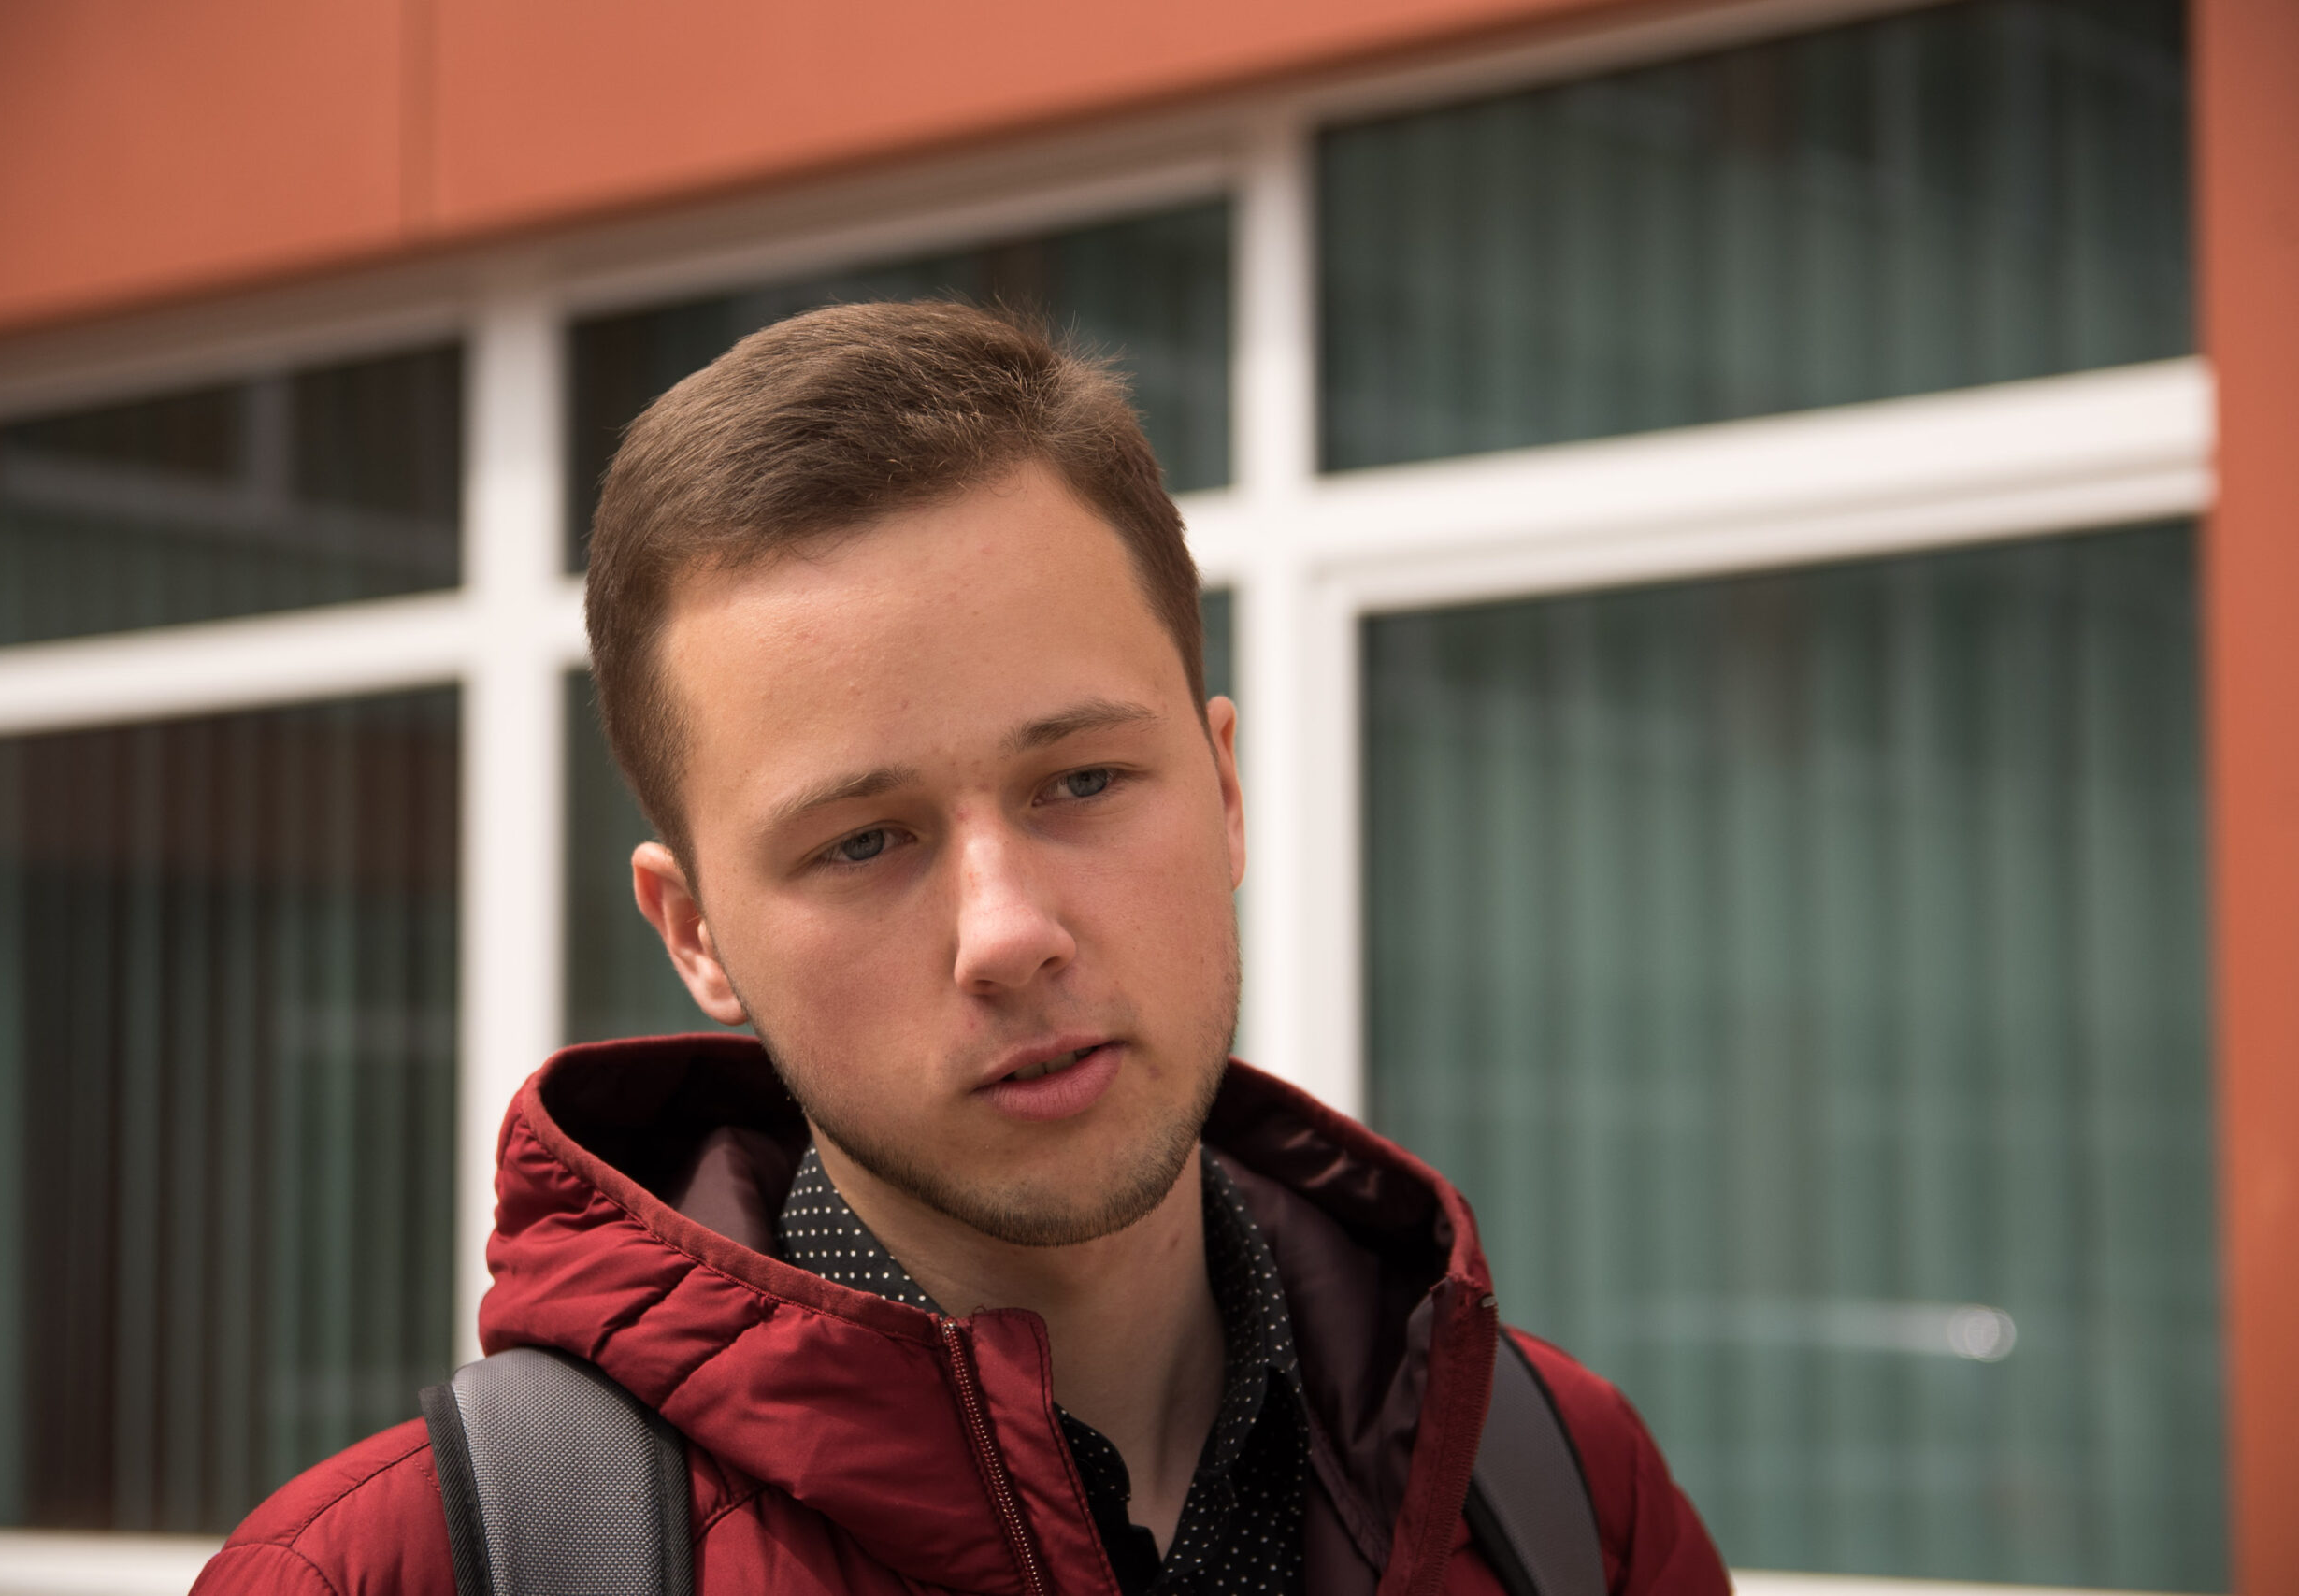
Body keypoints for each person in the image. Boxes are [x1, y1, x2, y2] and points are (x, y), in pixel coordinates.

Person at [193, 301, 1728, 1595]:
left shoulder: (1563, 1497)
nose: (1007, 933)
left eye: (1084, 781)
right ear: (697, 936)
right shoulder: (391, 1573)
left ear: (1228, 791)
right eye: (864, 841)